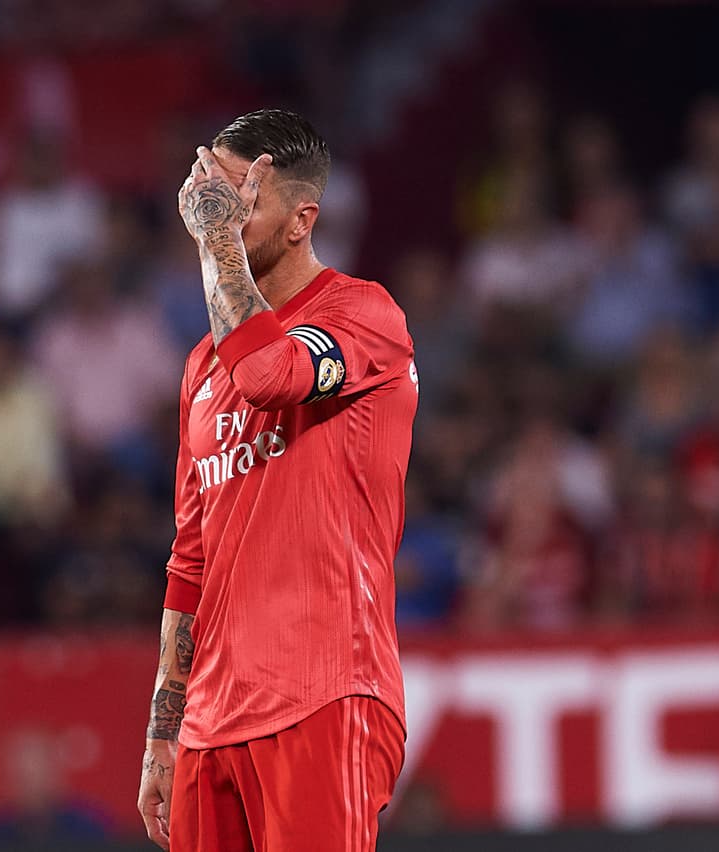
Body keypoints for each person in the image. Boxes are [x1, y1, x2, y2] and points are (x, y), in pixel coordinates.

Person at [136, 110, 417, 851]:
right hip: (210, 725)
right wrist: (164, 729)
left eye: (237, 200)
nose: (212, 216)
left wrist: (216, 243)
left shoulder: (364, 316)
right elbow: (189, 559)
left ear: (302, 219)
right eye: (210, 197)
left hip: (323, 691)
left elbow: (270, 374)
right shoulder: (200, 367)